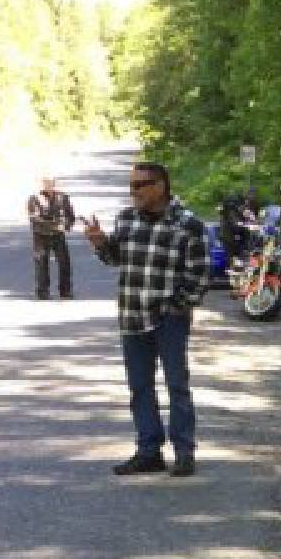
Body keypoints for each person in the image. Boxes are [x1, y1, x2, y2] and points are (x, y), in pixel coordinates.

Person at [83, 162, 210, 477]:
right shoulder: (126, 218)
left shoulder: (187, 224)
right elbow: (116, 258)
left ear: (160, 186)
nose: (133, 192)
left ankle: (184, 453)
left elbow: (199, 275)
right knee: (140, 387)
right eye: (131, 186)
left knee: (177, 386)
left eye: (139, 185)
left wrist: (176, 307)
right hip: (132, 315)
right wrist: (100, 243)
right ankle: (149, 451)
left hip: (169, 319)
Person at [27, 175, 76, 300]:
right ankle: (42, 292)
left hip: (58, 235)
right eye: (45, 183)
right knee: (41, 263)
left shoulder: (62, 197)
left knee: (64, 262)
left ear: (54, 183)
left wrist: (66, 225)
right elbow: (35, 219)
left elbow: (71, 216)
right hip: (41, 236)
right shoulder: (34, 199)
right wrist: (55, 225)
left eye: (51, 183)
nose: (48, 185)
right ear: (42, 184)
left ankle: (65, 291)